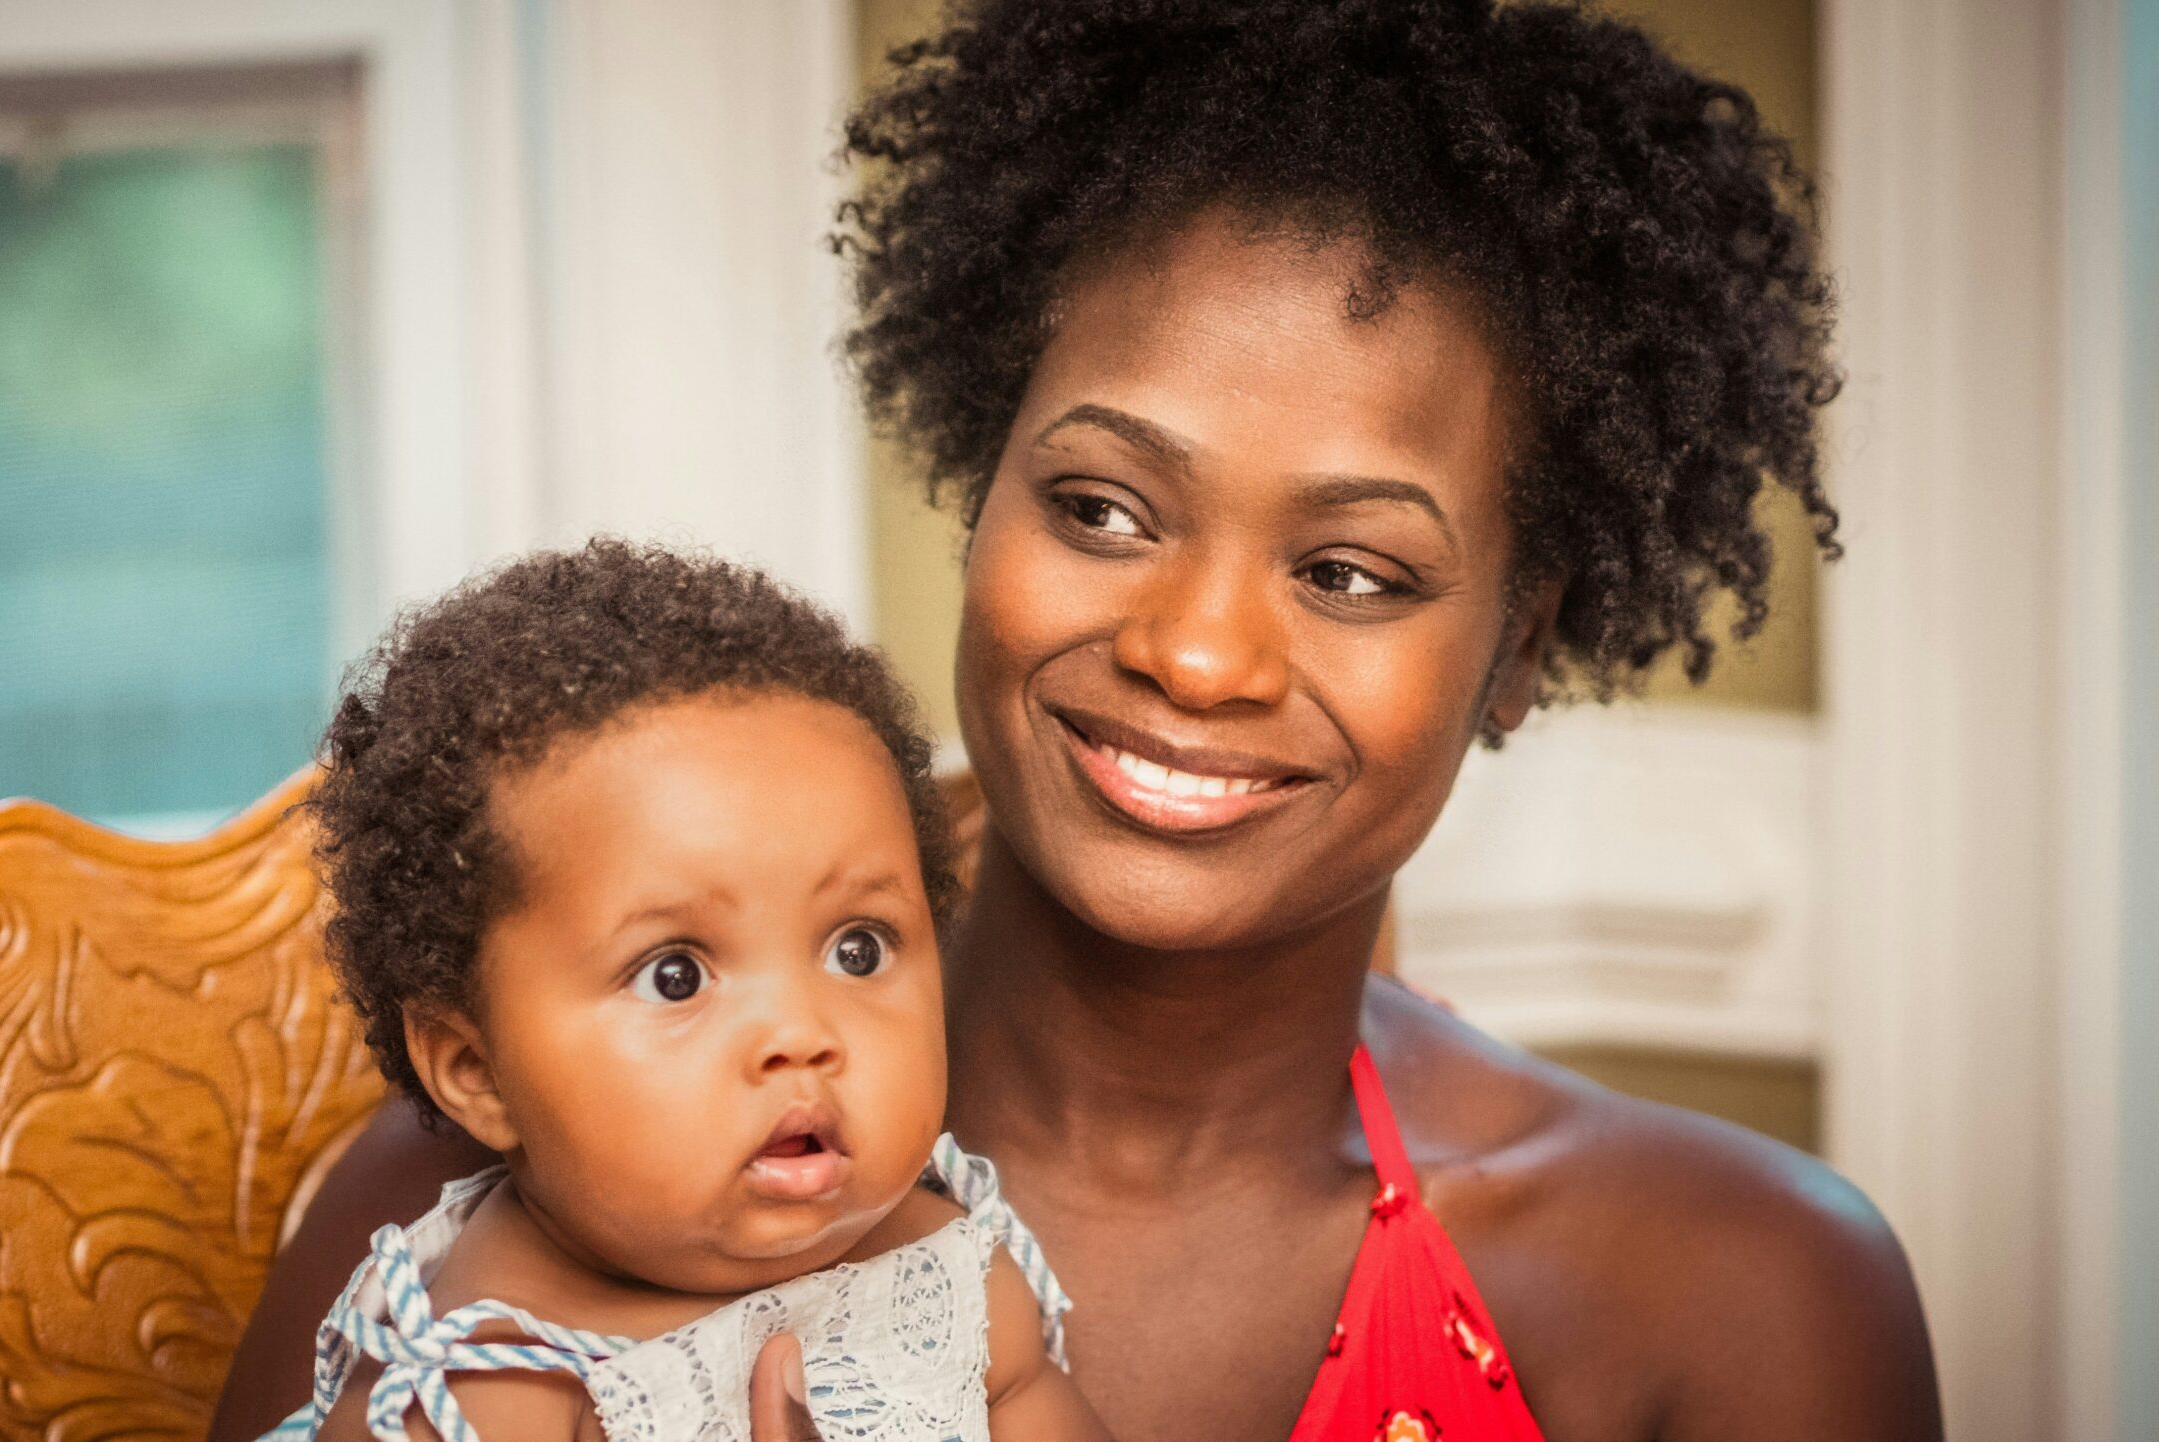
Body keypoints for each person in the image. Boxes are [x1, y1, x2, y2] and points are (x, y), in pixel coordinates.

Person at [214, 2, 1942, 1439]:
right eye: (1106, 508)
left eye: (1350, 570)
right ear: (984, 491)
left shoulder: (1737, 1298)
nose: (1197, 654)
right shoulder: (481, 1227)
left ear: (1517, 649)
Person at [272, 542, 1105, 1442]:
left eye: (857, 950)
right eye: (677, 976)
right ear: (476, 1069)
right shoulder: (479, 1387)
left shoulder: (949, 1281)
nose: (800, 1032)